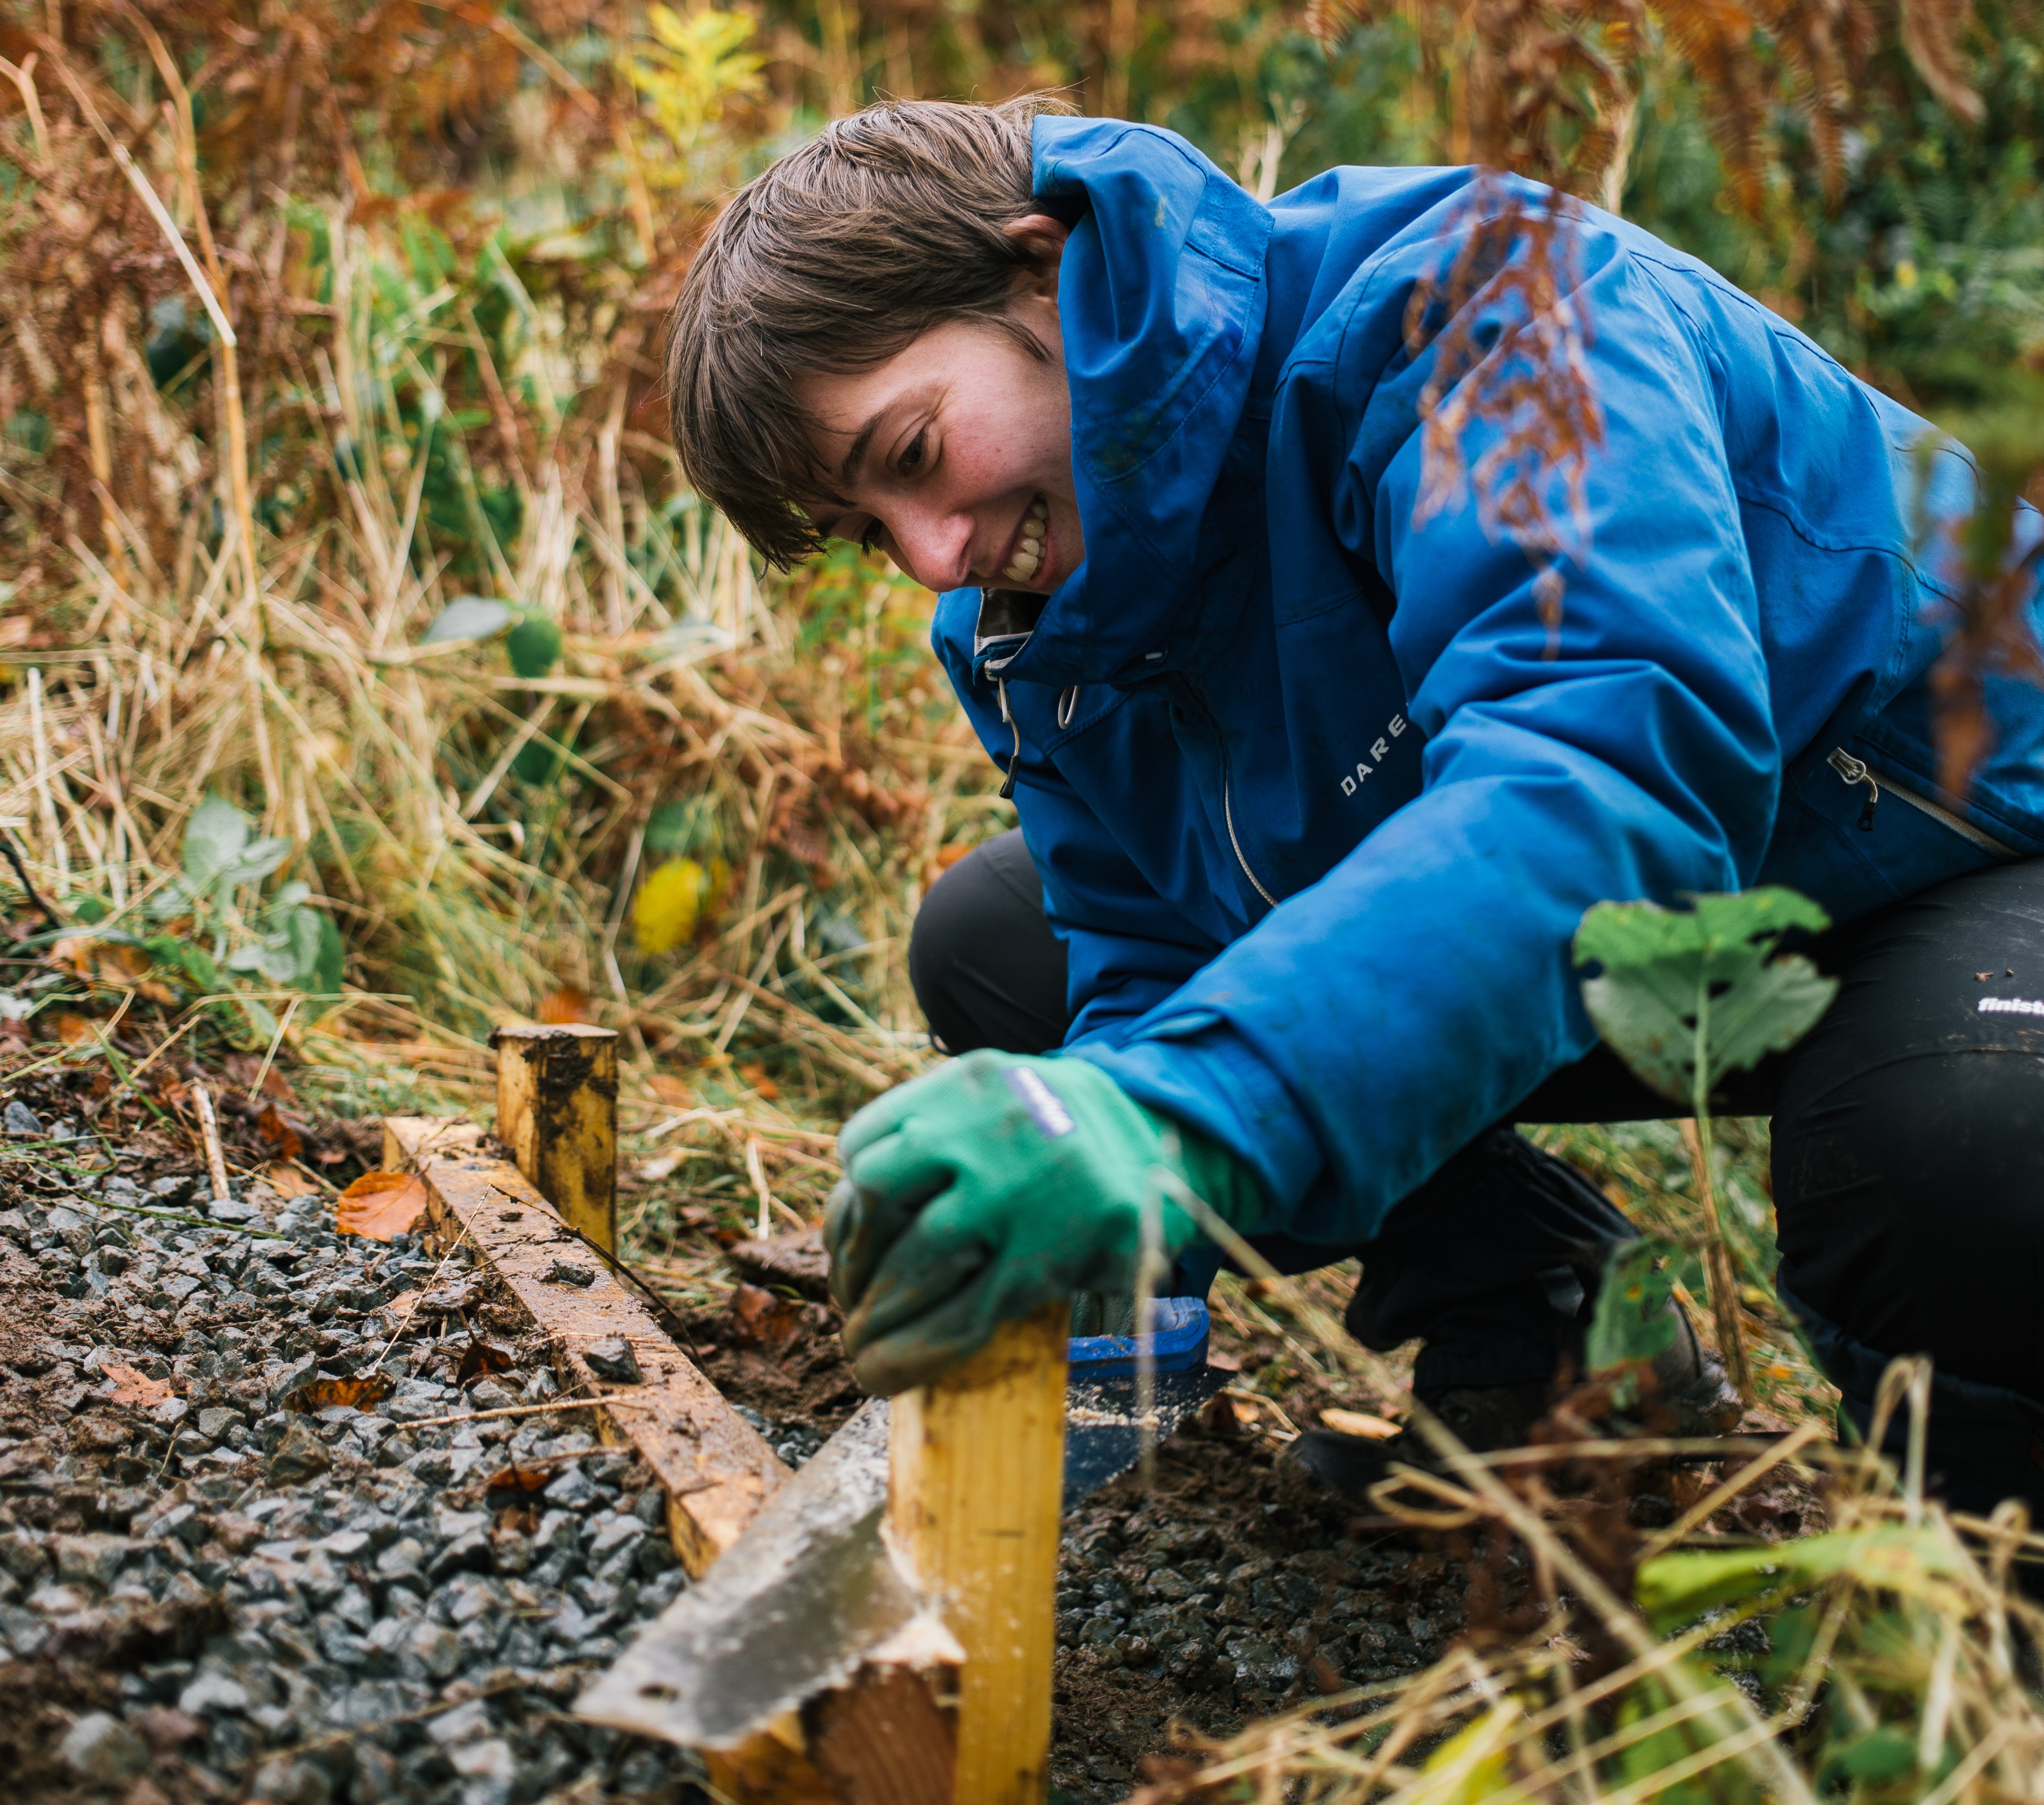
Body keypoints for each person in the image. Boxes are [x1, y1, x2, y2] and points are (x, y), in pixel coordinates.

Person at [665, 98, 2044, 1515]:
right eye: (867, 534)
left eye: (912, 455)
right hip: (1614, 944)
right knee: (998, 951)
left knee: (1958, 1137)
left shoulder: (1483, 307)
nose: (935, 559)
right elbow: (1145, 953)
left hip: (1949, 857)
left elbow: (1605, 779)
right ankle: (1555, 1346)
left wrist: (1189, 1120)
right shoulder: (1030, 634)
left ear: (1045, 271)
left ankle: (1983, 1590)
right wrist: (1112, 1245)